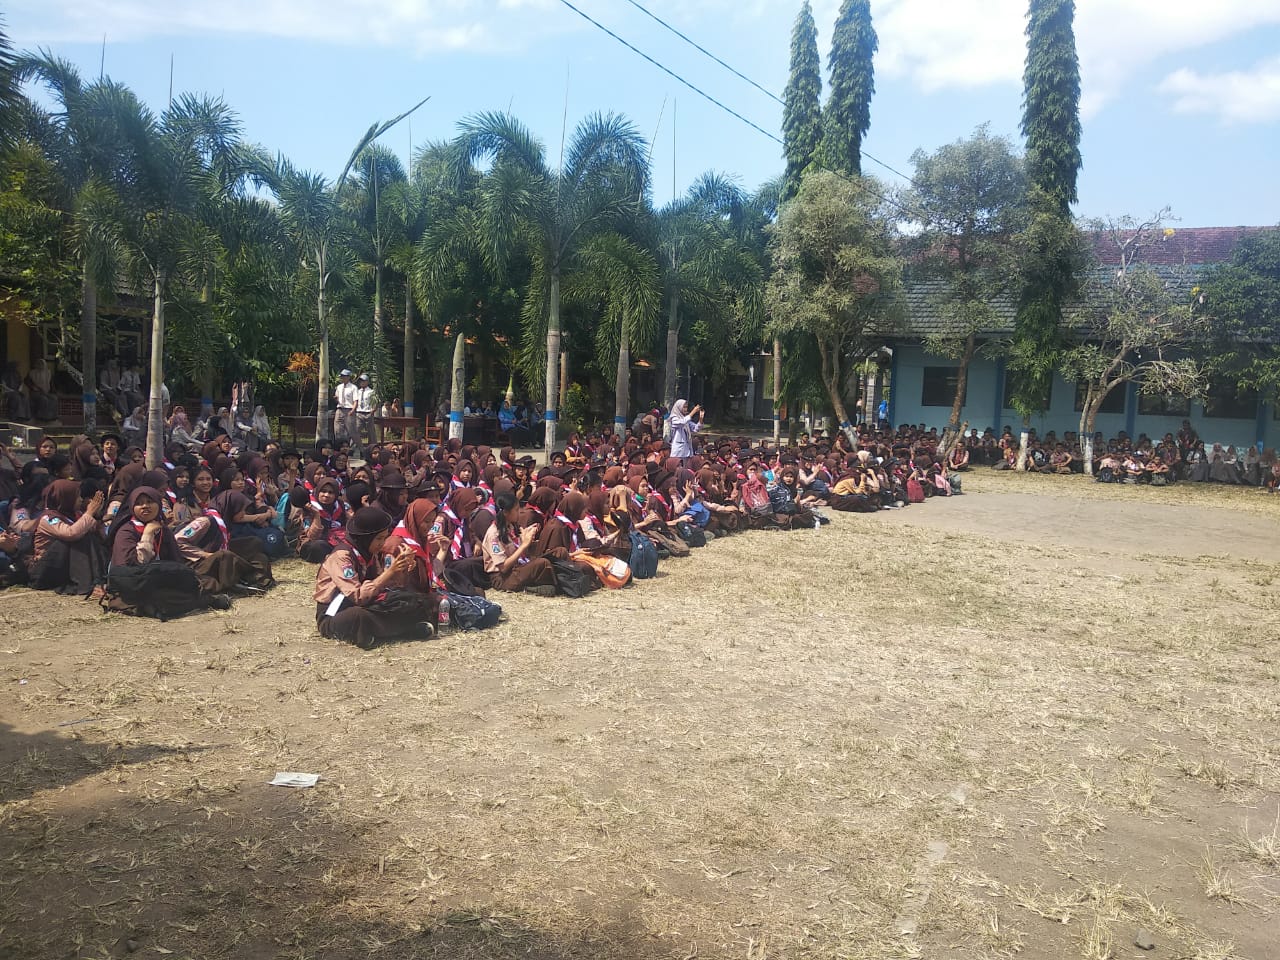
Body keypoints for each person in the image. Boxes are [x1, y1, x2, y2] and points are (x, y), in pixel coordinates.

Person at [314, 507, 432, 649]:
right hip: (336, 613)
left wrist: (404, 568)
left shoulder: (369, 553)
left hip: (366, 605)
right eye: (379, 539)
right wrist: (390, 572)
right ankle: (406, 631)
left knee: (409, 600)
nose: (382, 543)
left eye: (385, 537)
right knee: (359, 617)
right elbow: (358, 596)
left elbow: (388, 586)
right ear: (366, 538)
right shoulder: (342, 557)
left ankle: (378, 633)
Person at [483, 491, 557, 595]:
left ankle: (557, 581)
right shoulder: (494, 534)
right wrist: (523, 545)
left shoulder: (511, 526)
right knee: (542, 563)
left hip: (518, 568)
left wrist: (527, 537)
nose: (520, 512)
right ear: (505, 513)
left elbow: (523, 552)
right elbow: (503, 568)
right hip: (503, 578)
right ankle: (557, 584)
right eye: (516, 510)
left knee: (558, 552)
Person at [352, 374, 375, 456]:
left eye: (363, 381)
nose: (362, 382)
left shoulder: (371, 392)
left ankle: (373, 448)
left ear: (367, 382)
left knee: (371, 432)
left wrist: (373, 410)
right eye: (360, 381)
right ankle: (353, 449)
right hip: (359, 413)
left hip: (368, 413)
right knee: (356, 431)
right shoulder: (358, 391)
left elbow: (375, 402)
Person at [333, 370, 357, 443]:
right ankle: (338, 444)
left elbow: (356, 400)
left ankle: (347, 445)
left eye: (344, 376)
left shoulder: (353, 387)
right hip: (340, 409)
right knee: (337, 428)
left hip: (349, 409)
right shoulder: (339, 387)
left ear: (348, 377)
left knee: (349, 430)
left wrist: (352, 410)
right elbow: (337, 398)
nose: (343, 378)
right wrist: (336, 399)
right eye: (342, 377)